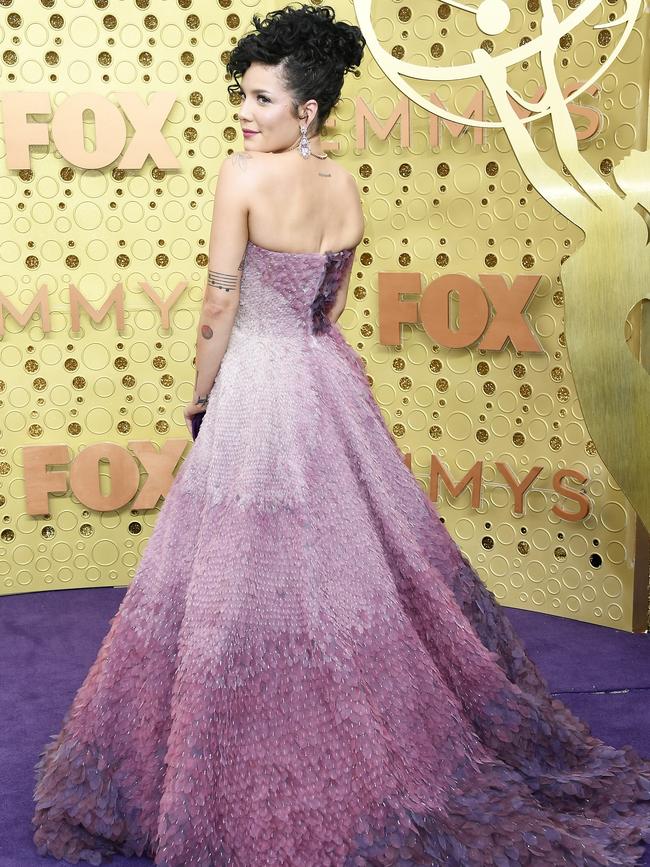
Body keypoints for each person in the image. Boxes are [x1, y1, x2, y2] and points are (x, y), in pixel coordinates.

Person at [31, 4, 650, 866]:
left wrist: (199, 398)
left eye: (260, 100)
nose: (245, 115)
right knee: (336, 572)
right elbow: (329, 303)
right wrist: (296, 345)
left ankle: (249, 750)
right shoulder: (344, 186)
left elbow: (219, 302)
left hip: (255, 386)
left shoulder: (241, 176)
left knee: (241, 580)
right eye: (241, 99)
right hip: (324, 380)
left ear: (307, 110)